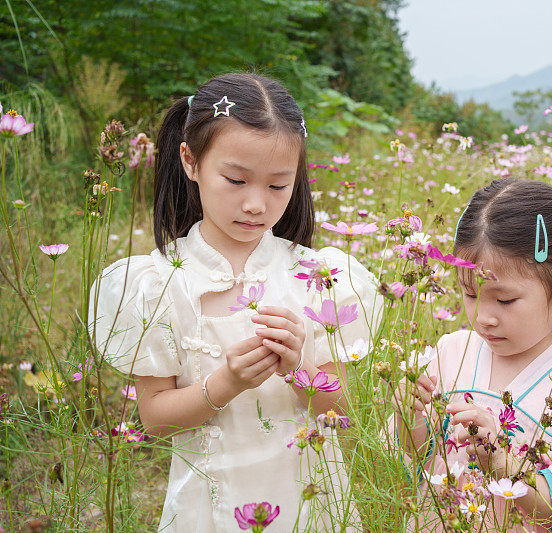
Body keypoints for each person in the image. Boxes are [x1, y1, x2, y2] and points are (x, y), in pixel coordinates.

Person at [89, 72, 381, 532]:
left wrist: (297, 370)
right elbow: (154, 418)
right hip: (206, 508)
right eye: (236, 179)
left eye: (277, 186)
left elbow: (344, 414)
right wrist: (225, 382)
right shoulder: (159, 283)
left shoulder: (321, 279)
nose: (255, 205)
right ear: (190, 160)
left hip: (311, 502)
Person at [393, 178, 552, 532]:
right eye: (470, 294)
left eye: (505, 300)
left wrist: (503, 460)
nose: (483, 317)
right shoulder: (451, 351)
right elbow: (420, 454)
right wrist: (409, 417)